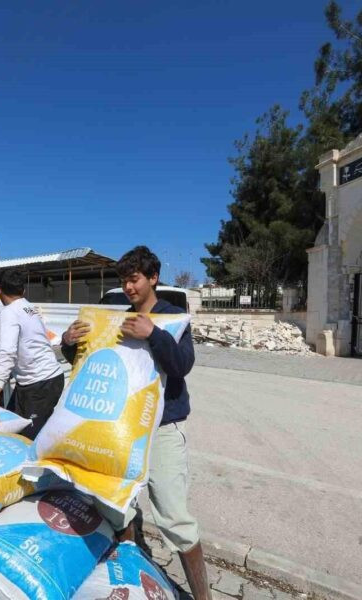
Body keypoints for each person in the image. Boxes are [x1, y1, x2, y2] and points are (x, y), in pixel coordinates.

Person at [60, 246, 212, 600]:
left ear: (152, 278)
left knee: (174, 517)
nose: (128, 287)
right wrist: (69, 344)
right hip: (125, 428)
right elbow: (94, 358)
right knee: (119, 507)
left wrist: (153, 334)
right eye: (124, 281)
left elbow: (182, 365)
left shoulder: (172, 317)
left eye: (134, 279)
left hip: (163, 430)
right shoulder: (119, 319)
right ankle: (130, 579)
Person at [0, 269, 64, 440]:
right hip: (43, 380)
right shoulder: (29, 307)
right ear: (23, 290)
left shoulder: (9, 312)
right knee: (10, 424)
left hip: (40, 384)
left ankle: (34, 466)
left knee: (28, 439)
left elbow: (7, 352)